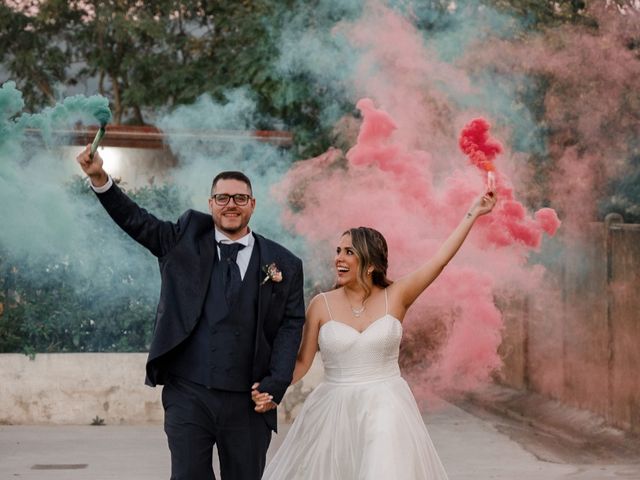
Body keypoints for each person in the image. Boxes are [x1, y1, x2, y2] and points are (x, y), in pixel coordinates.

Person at [75, 145, 305, 480]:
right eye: (223, 197)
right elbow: (136, 221)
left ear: (252, 205)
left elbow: (290, 325)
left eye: (240, 198)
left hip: (248, 400)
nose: (231, 205)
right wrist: (100, 178)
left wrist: (277, 382)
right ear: (211, 203)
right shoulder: (182, 241)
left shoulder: (284, 263)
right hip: (188, 393)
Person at [255, 189, 497, 479]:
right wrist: (271, 389)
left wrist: (473, 212)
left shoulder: (397, 296)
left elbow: (440, 260)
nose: (338, 259)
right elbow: (303, 362)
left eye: (349, 252)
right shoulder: (321, 304)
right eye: (338, 251)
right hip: (333, 409)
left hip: (387, 404)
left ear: (370, 264)